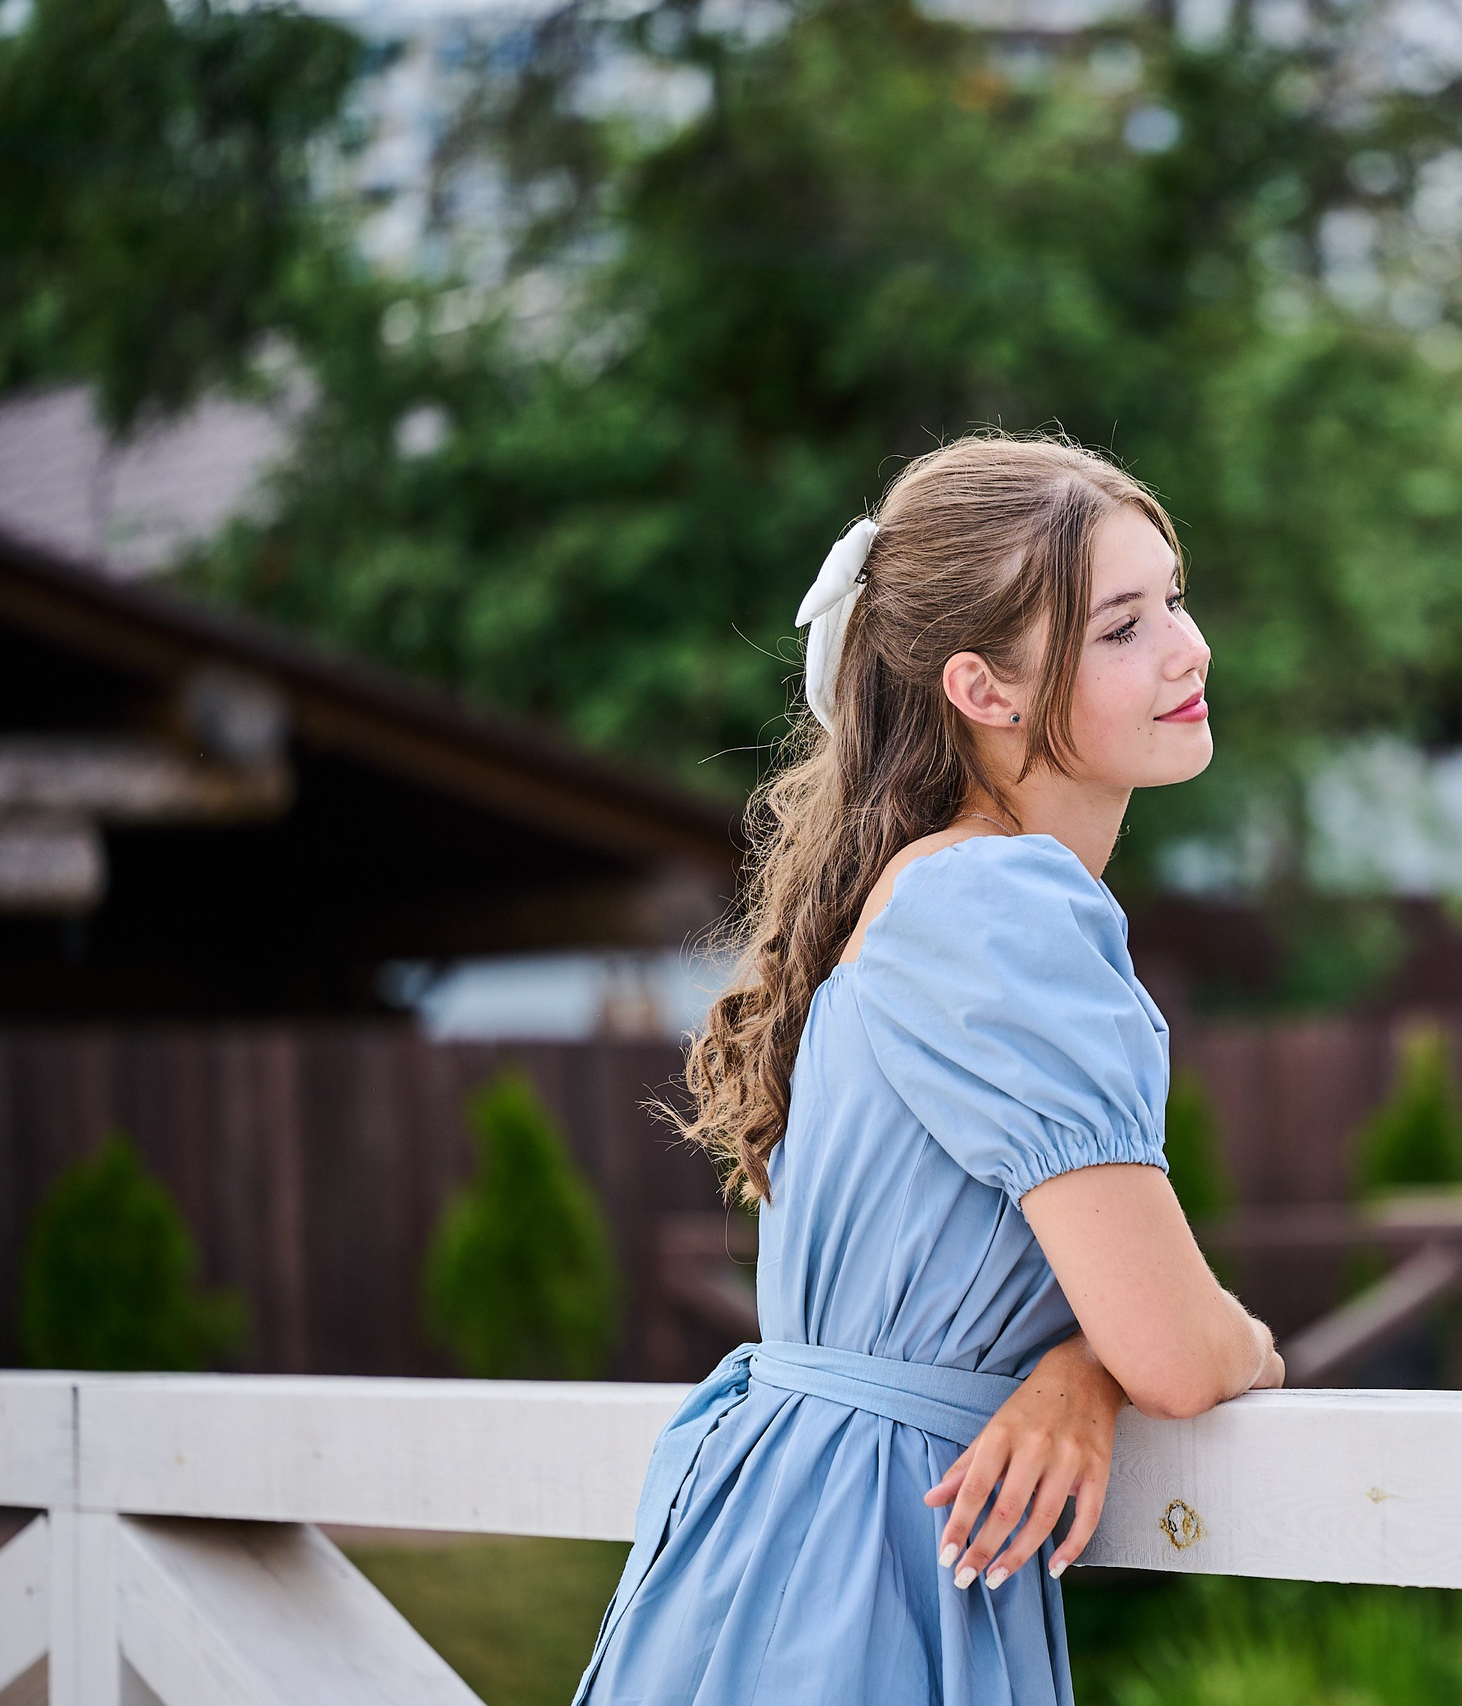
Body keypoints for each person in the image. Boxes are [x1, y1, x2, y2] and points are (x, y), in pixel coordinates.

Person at [574, 434, 1284, 1706]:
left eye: (1173, 598)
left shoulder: (924, 892)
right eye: (1122, 626)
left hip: (785, 1539)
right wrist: (1209, 1344)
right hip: (875, 1567)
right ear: (983, 688)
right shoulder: (1003, 901)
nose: (1190, 647)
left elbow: (1093, 1326)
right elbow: (1184, 1350)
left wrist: (1079, 1366)